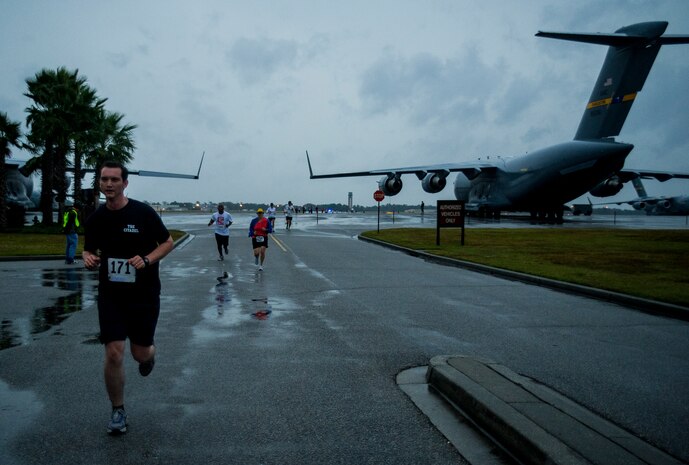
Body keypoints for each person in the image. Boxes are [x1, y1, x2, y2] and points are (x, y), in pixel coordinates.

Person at [82, 161, 174, 435]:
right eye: (104, 179)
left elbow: (168, 242)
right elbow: (88, 250)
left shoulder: (143, 213)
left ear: (125, 183)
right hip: (111, 294)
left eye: (114, 179)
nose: (109, 184)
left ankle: (149, 357)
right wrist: (88, 258)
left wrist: (147, 259)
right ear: (99, 182)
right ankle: (118, 410)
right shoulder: (96, 218)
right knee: (113, 351)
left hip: (144, 294)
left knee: (139, 352)